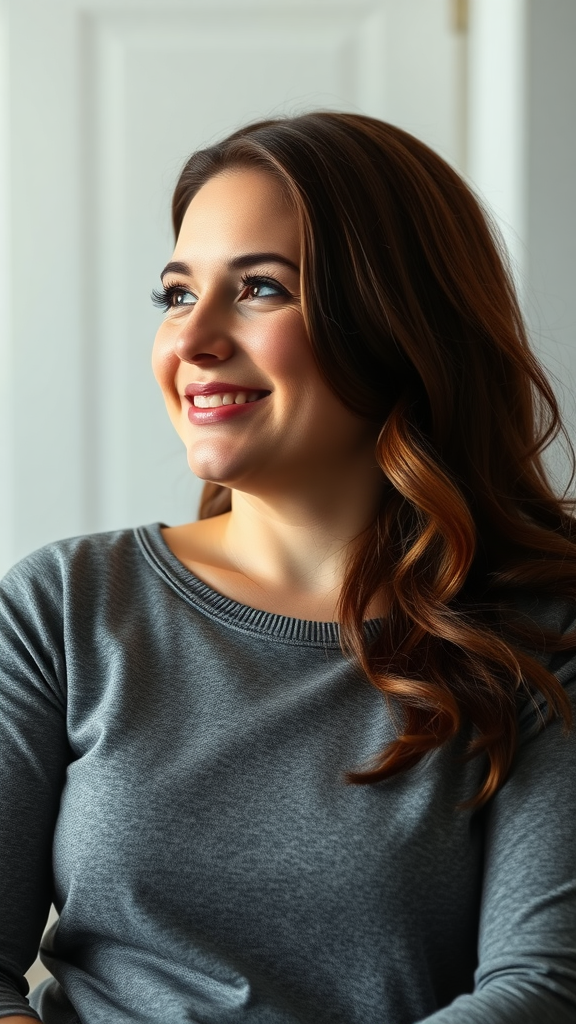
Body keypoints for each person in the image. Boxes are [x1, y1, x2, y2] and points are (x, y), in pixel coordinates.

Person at [0, 111, 575, 1024]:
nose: (193, 343)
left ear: (398, 320)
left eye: (262, 289)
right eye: (178, 295)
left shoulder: (541, 632)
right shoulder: (63, 605)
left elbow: (544, 990)